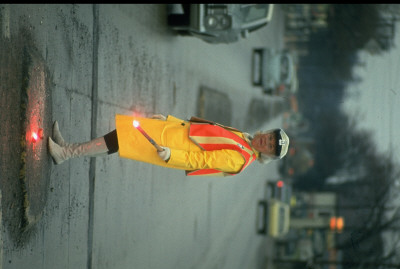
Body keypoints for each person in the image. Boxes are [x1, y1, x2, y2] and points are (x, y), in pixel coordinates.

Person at [48, 114, 289, 177]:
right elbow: (206, 130)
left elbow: (202, 161)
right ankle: (68, 148)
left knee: (119, 139)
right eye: (269, 137)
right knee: (119, 137)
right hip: (171, 132)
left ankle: (66, 153)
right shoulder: (245, 139)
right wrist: (169, 120)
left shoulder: (241, 159)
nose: (265, 141)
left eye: (269, 146)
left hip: (168, 145)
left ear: (267, 154)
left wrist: (171, 155)